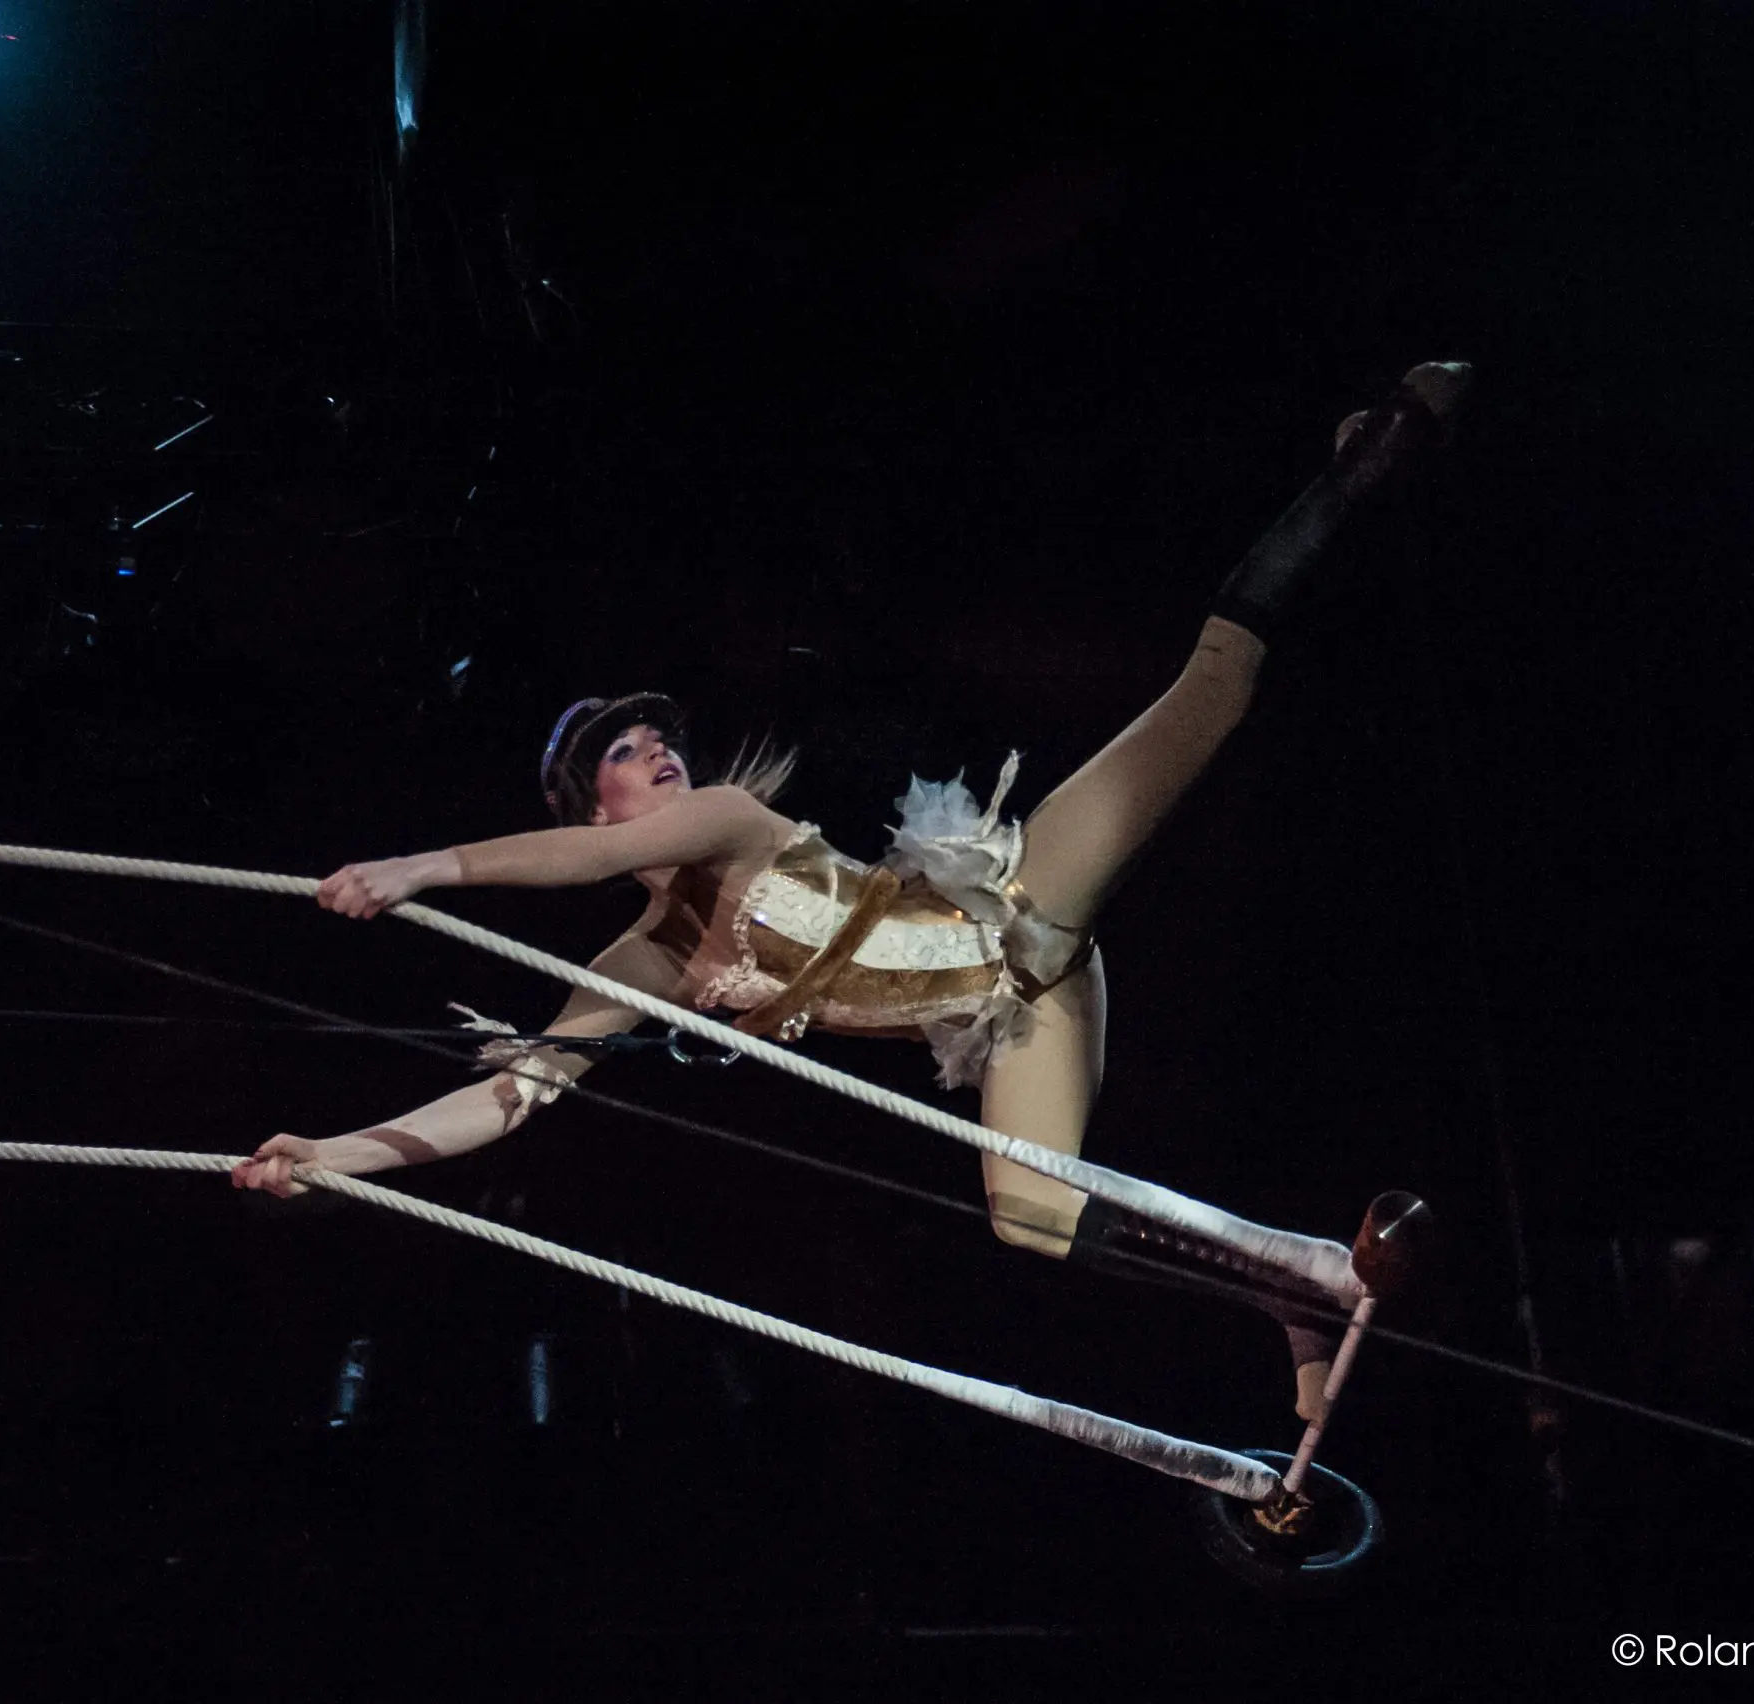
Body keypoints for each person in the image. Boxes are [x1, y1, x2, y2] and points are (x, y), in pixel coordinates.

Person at [234, 362, 1471, 1418]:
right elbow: (508, 1100)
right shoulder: (643, 965)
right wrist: (331, 1154)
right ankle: (1283, 1291)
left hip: (1028, 900)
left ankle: (1358, 467)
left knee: (1211, 693)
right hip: (1017, 1017)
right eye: (621, 752)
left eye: (657, 737)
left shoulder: (725, 818)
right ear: (590, 805)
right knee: (1030, 1220)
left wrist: (420, 868)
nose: (657, 751)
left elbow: (578, 864)